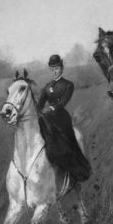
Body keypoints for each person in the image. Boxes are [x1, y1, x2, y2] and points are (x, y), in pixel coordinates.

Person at [37, 53, 91, 183]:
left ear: (62, 68)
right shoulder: (47, 86)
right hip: (47, 118)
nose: (54, 71)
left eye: (57, 68)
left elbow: (63, 102)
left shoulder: (68, 85)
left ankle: (77, 168)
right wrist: (36, 110)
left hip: (61, 118)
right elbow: (40, 104)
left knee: (68, 141)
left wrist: (51, 108)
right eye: (52, 69)